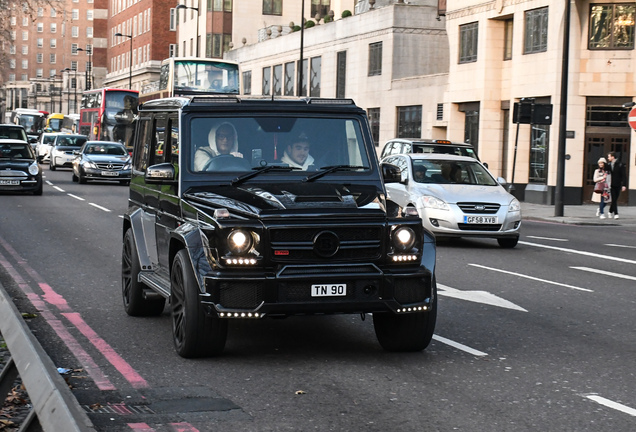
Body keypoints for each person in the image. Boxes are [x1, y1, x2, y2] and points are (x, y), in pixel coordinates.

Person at [607, 151, 627, 219]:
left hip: (618, 184)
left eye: (609, 156)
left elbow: (624, 175)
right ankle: (616, 213)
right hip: (611, 185)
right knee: (614, 199)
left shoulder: (620, 164)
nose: (608, 158)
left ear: (613, 157)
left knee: (615, 199)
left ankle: (610, 211)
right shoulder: (609, 165)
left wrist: (624, 185)